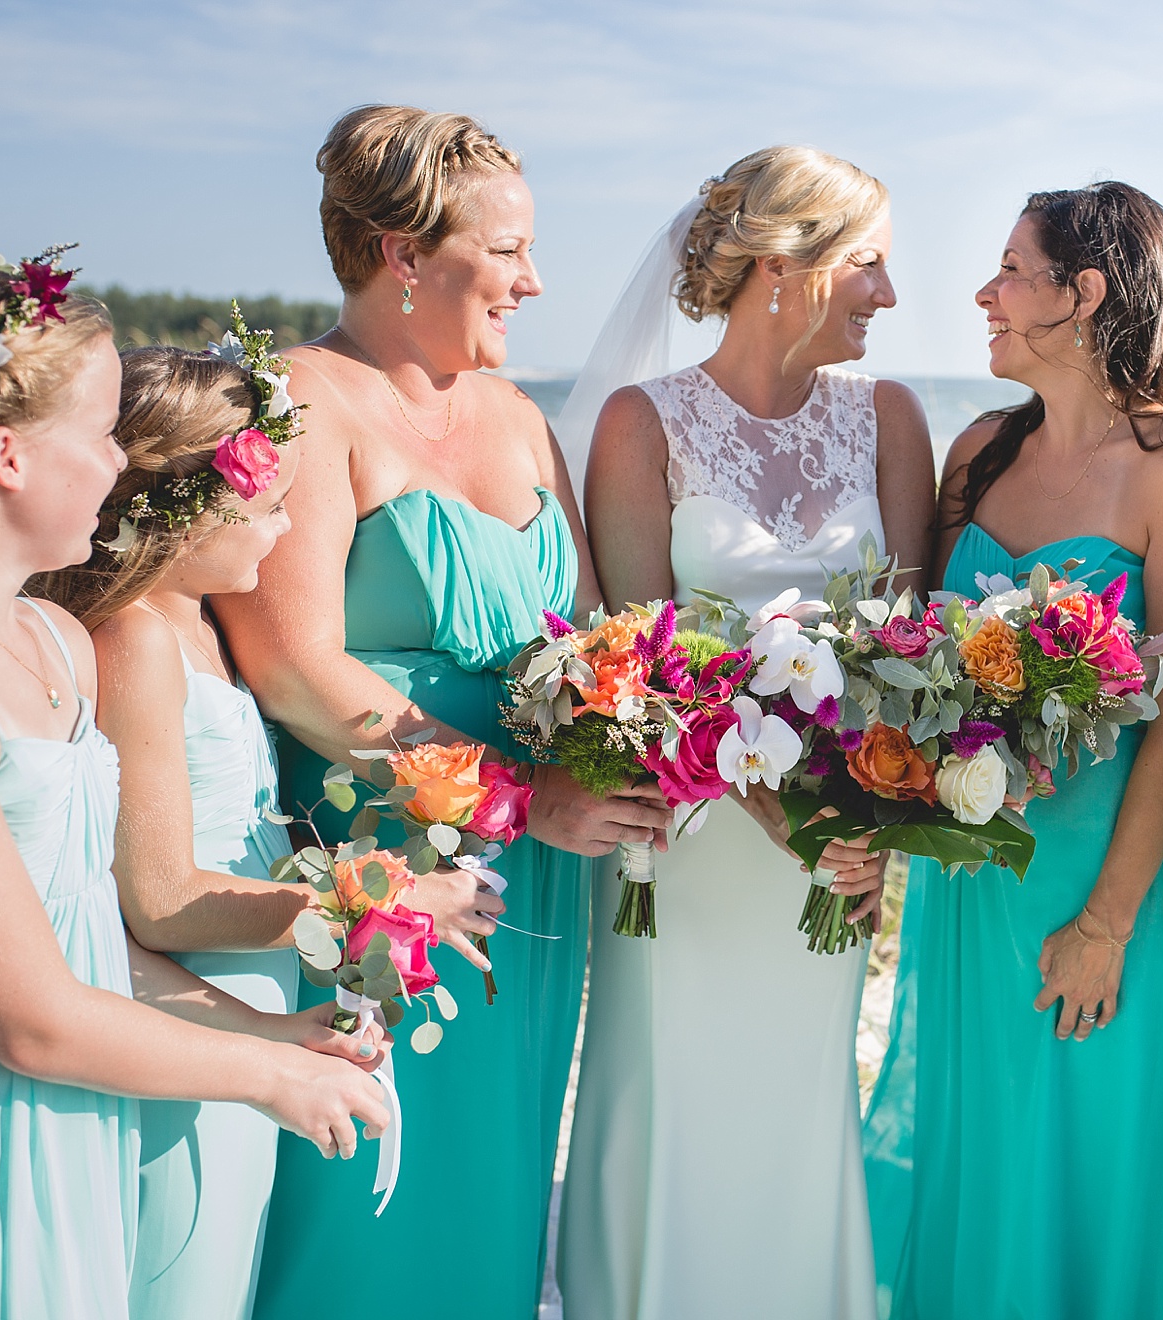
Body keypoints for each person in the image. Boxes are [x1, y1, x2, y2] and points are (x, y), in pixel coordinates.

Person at [215, 107, 671, 1314]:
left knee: (502, 1175)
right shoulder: (305, 403)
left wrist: (645, 734)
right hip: (382, 863)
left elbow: (587, 638)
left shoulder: (521, 418)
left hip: (538, 870)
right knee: (372, 1198)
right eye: (507, 249)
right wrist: (523, 797)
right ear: (400, 253)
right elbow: (296, 670)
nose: (536, 279)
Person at [0, 257, 387, 1319]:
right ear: (7, 455)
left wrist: (274, 1034)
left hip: (88, 1127)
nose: (126, 463)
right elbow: (31, 1019)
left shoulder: (58, 642)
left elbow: (95, 944)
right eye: (104, 432)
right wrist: (271, 1080)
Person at [563, 144, 931, 1320]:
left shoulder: (890, 420)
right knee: (673, 1097)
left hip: (835, 851)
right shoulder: (642, 424)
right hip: (691, 841)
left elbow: (912, 664)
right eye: (869, 264)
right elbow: (638, 674)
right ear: (787, 265)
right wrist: (780, 807)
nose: (888, 294)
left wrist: (868, 822)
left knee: (798, 1102)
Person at [862, 183, 1163, 1320]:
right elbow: (902, 653)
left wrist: (1107, 926)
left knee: (1090, 1163)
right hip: (970, 883)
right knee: (981, 1151)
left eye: (1012, 272)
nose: (984, 291)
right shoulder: (977, 451)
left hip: (1101, 886)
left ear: (1086, 295)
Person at [35, 337, 314, 1320]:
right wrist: (356, 913)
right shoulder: (141, 639)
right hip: (196, 998)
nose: (283, 531)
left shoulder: (196, 618)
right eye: (269, 505)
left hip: (249, 986)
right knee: (177, 1275)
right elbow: (158, 898)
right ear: (189, 503)